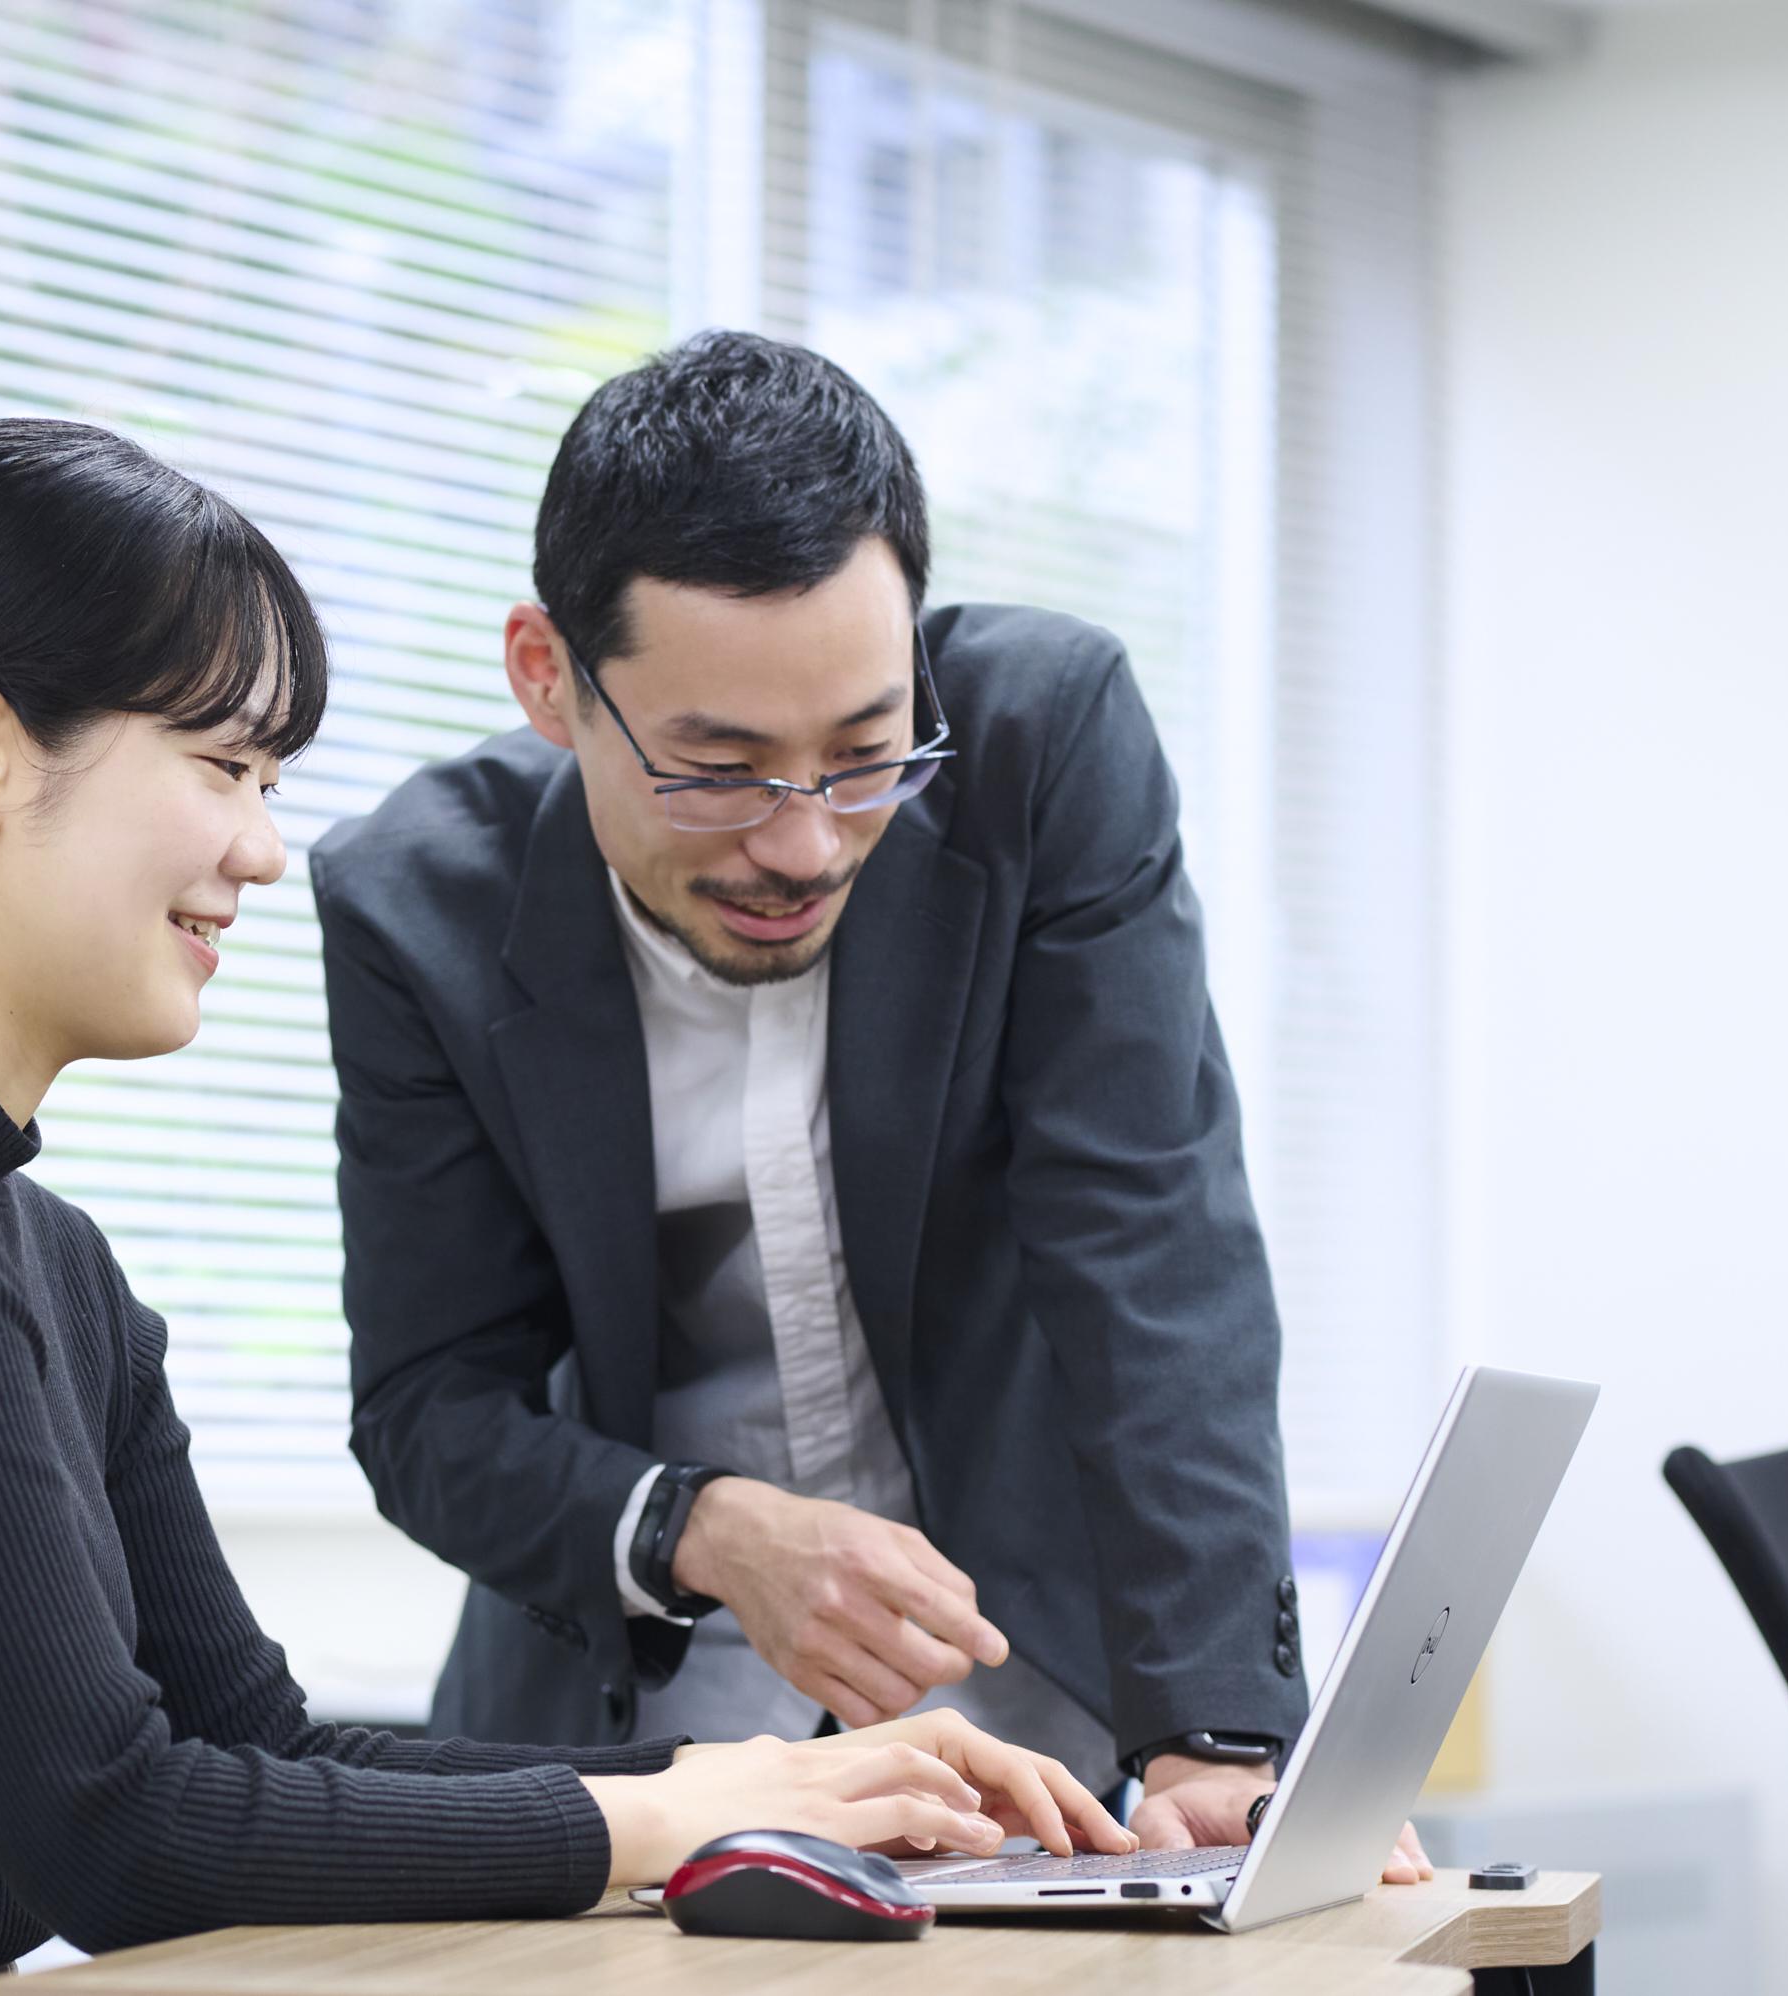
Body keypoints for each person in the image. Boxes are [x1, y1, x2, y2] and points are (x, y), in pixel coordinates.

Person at [0, 418, 1132, 1996]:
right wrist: (657, 1820)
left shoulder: (31, 1246)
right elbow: (116, 1836)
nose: (265, 853)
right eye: (223, 768)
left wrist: (738, 1780)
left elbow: (253, 1755)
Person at [310, 332, 1432, 1879]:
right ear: (548, 680)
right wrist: (704, 1529)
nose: (808, 844)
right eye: (719, 769)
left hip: (1056, 1717)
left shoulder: (1043, 743)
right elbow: (432, 1408)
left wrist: (1220, 1735)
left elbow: (1148, 1243)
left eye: (864, 756)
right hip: (650, 1746)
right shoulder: (413, 906)